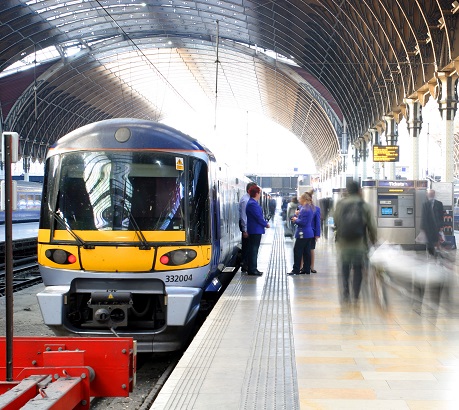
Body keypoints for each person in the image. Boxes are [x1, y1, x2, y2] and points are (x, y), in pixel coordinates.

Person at [334, 180, 377, 304]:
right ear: (359, 190)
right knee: (358, 268)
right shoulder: (364, 205)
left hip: (344, 243)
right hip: (360, 244)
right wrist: (373, 240)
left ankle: (346, 292)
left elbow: (336, 221)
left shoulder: (341, 204)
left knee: (345, 267)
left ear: (347, 190)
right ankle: (356, 294)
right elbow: (371, 226)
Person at [288, 191, 317, 275]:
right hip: (309, 233)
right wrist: (297, 215)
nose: (299, 199)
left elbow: (303, 222)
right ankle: (306, 269)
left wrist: (295, 219)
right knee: (306, 251)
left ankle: (296, 270)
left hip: (303, 233)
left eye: (300, 198)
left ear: (304, 199)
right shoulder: (310, 208)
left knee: (297, 250)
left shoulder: (304, 209)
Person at [246, 185, 270, 276]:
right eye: (259, 193)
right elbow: (258, 217)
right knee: (254, 250)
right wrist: (266, 224)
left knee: (253, 249)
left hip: (254, 229)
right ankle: (252, 269)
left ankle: (252, 268)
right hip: (255, 230)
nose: (260, 195)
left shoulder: (252, 203)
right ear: (256, 193)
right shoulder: (252, 204)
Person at [238, 181, 257, 273]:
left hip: (249, 226)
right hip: (247, 226)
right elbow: (244, 216)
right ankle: (245, 265)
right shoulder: (246, 200)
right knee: (247, 247)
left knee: (248, 246)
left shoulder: (248, 199)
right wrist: (245, 230)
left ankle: (247, 265)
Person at [420, 189, 444, 256]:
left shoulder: (439, 204)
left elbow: (441, 215)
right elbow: (424, 216)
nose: (430, 195)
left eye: (432, 194)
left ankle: (437, 254)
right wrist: (422, 228)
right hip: (428, 227)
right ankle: (432, 254)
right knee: (430, 243)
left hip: (437, 226)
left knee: (437, 241)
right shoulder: (425, 204)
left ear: (434, 194)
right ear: (427, 195)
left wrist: (441, 226)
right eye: (429, 194)